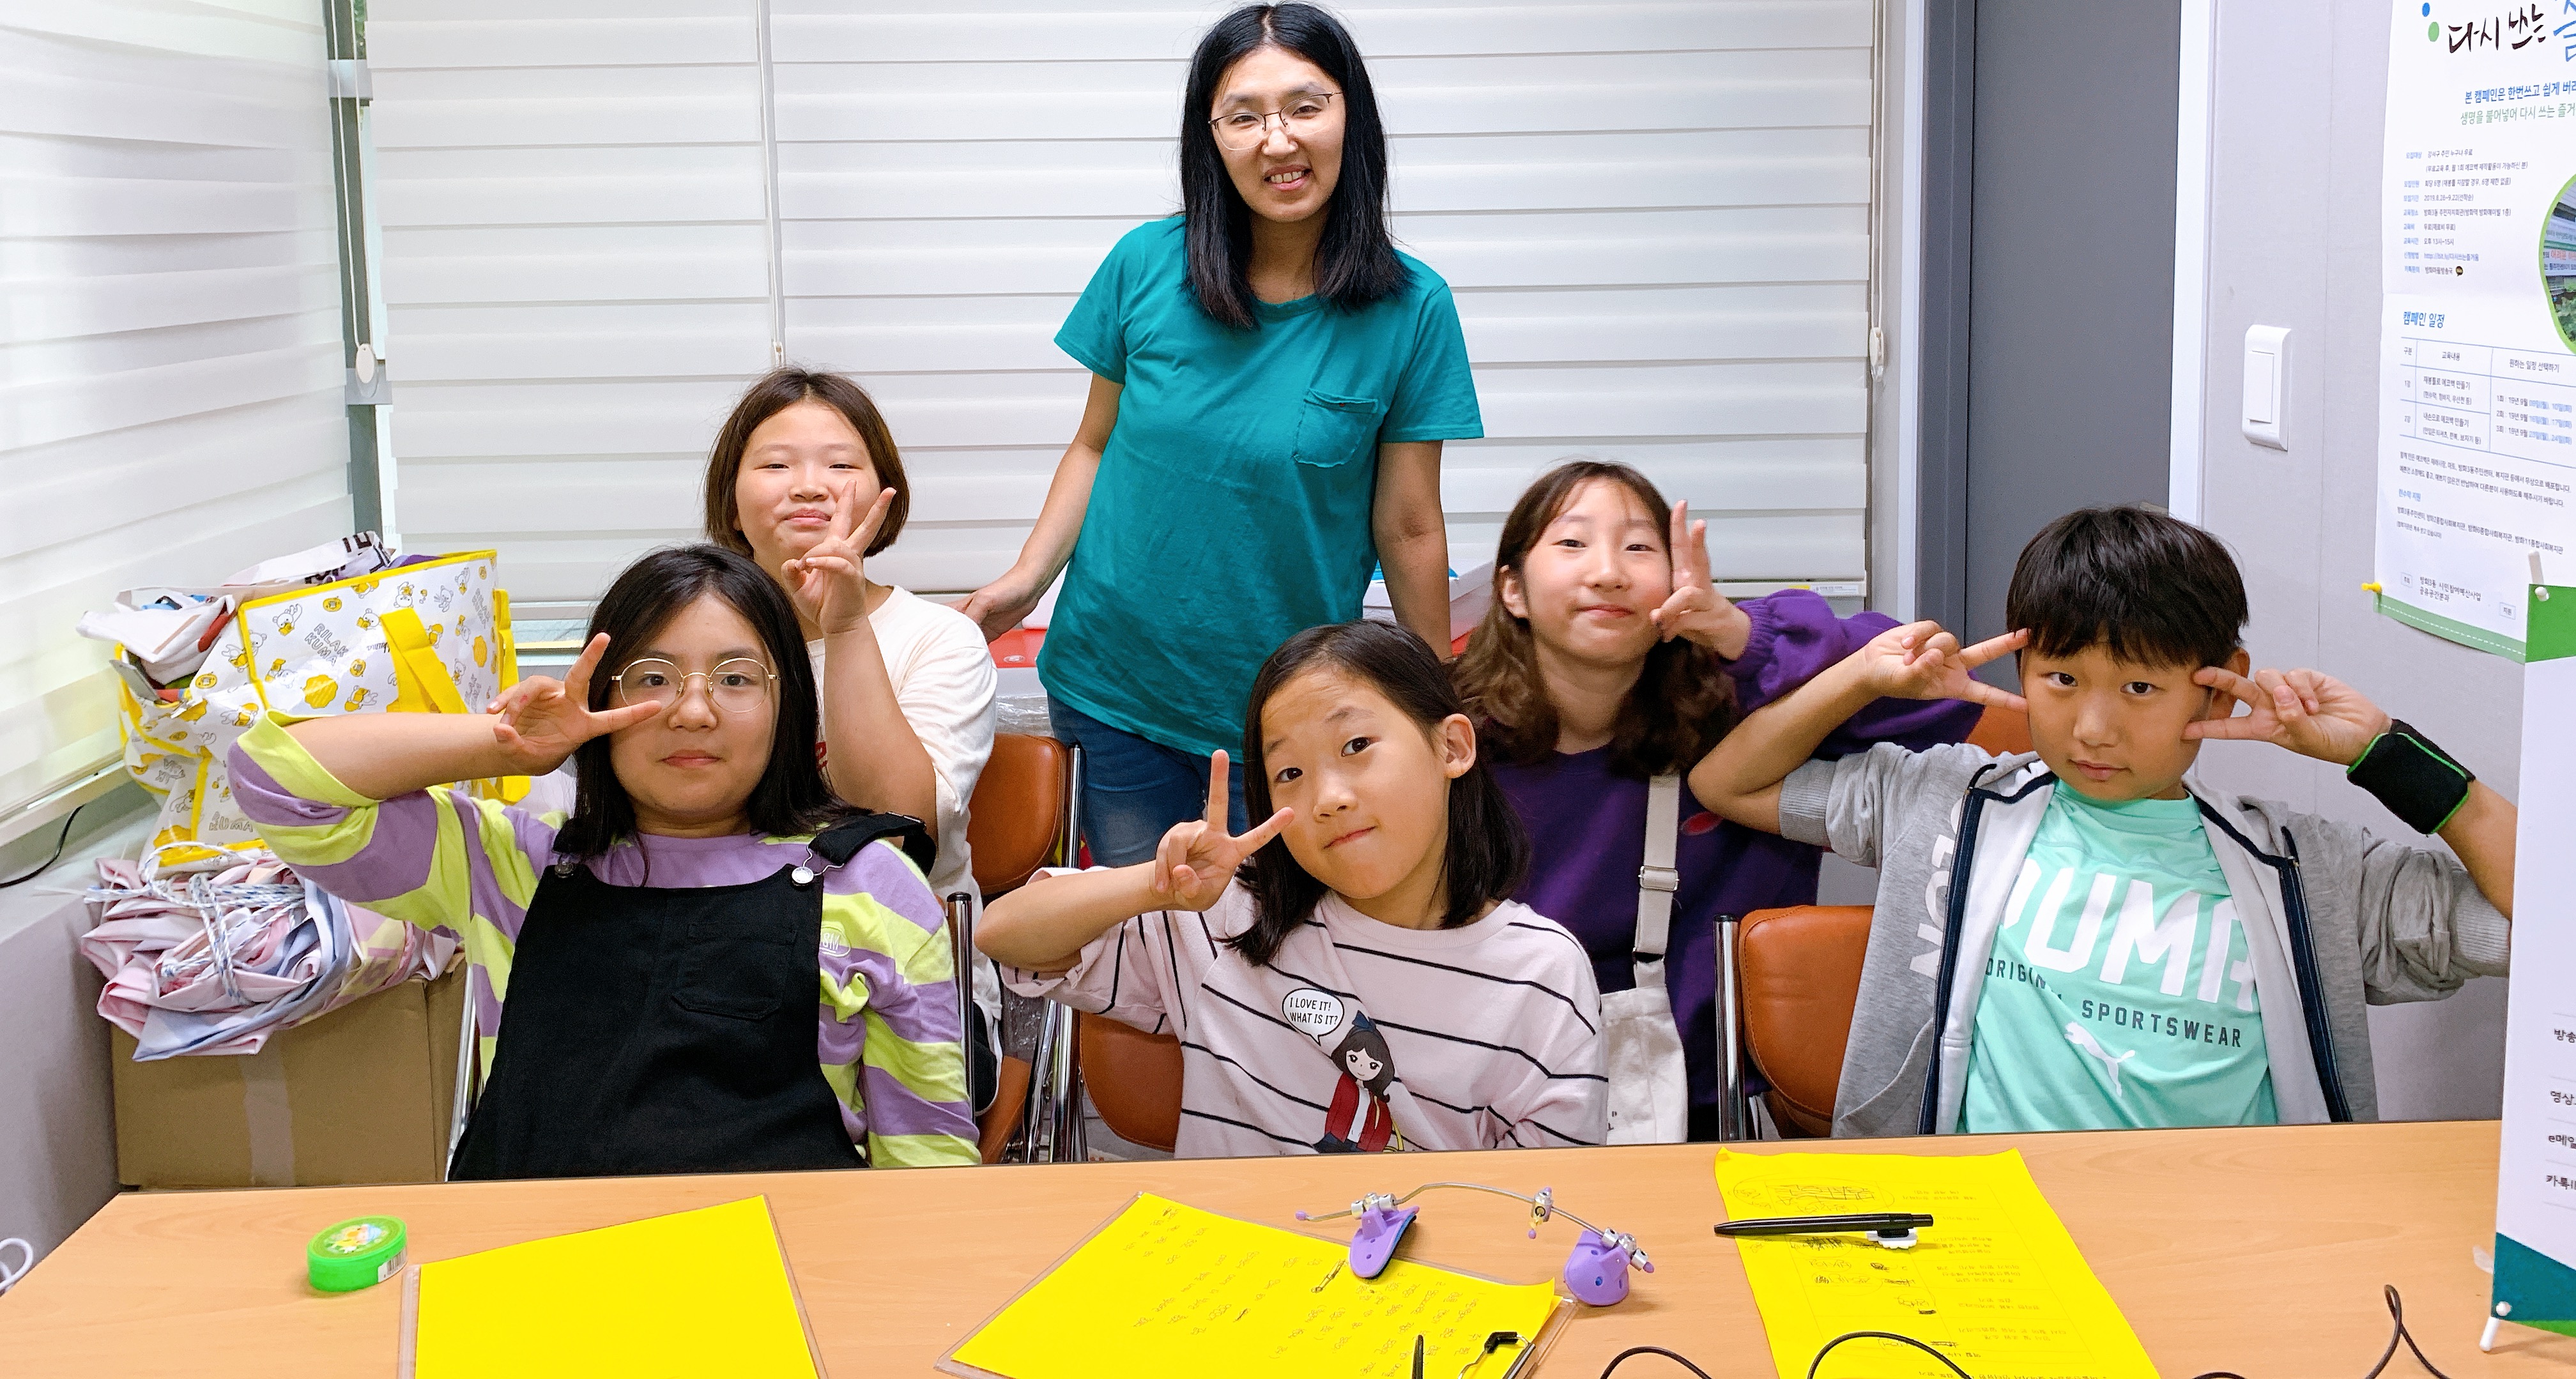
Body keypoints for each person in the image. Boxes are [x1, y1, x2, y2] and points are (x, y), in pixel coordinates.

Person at [1690, 505, 2516, 1136]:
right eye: (2061, 680)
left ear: (2220, 685)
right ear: (2021, 665)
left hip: (2230, 1241)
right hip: (1987, 1231)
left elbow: (2544, 921)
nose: (2093, 729)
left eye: (2140, 688)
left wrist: (2386, 753)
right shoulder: (1947, 806)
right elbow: (1729, 782)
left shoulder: (2305, 871)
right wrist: (1862, 678)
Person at [227, 544, 977, 1176]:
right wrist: (504, 745)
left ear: (788, 709)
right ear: (599, 702)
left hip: (776, 1275)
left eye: (736, 678)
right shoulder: (514, 861)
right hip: (528, 1267)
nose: (693, 711)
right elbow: (276, 783)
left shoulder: (873, 886)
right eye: (652, 678)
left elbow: (929, 1165)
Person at [960, 2, 1481, 865]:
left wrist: (1429, 700)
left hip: (1290, 716)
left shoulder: (1412, 307)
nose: (1278, 140)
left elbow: (1409, 525)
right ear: (1210, 139)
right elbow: (1095, 444)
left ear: (1351, 116)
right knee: (1150, 934)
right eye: (1243, 116)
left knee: (1278, 939)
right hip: (1113, 691)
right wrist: (1026, 579)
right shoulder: (1144, 264)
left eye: (1306, 106)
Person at [1459, 461, 1976, 1139]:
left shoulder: (1742, 708)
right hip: (1495, 1105)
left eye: (1638, 546)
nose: (1608, 572)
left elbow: (1938, 704)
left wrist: (1739, 633)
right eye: (1572, 543)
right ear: (1512, 590)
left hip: (1715, 1116)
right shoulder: (1452, 743)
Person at [978, 620, 1605, 1156]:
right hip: (1229, 1254)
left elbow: (1545, 1210)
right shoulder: (1228, 916)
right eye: (1290, 772)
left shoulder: (1541, 973)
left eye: (1356, 745)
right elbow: (1004, 935)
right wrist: (1155, 886)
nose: (1327, 798)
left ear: (1452, 746)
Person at [702, 367, 995, 920]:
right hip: (726, 932)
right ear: (732, 502)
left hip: (890, 948)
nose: (809, 486)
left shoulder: (939, 639)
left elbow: (900, 838)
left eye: (840, 465)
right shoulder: (692, 635)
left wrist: (845, 629)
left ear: (885, 494)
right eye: (775, 465)